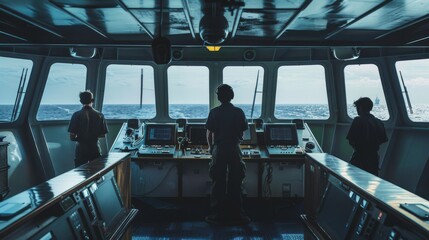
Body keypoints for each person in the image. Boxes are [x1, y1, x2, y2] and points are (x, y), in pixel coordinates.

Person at [205, 84, 250, 225]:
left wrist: (211, 148)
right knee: (236, 181)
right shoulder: (239, 112)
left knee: (218, 181)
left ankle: (216, 215)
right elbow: (242, 133)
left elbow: (209, 133)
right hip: (234, 148)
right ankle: (238, 214)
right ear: (232, 96)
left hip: (219, 148)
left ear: (219, 97)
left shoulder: (214, 112)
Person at [346, 97, 388, 176]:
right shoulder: (378, 122)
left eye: (358, 107)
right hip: (374, 158)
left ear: (361, 107)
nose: (357, 109)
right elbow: (383, 139)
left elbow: (351, 140)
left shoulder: (358, 120)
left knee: (354, 180)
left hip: (359, 158)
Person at [68, 90, 108, 167]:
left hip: (81, 150)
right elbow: (103, 135)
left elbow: (72, 137)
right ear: (92, 100)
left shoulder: (76, 115)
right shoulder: (100, 115)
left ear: (80, 101)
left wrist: (81, 138)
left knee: (80, 174)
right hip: (95, 149)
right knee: (96, 173)